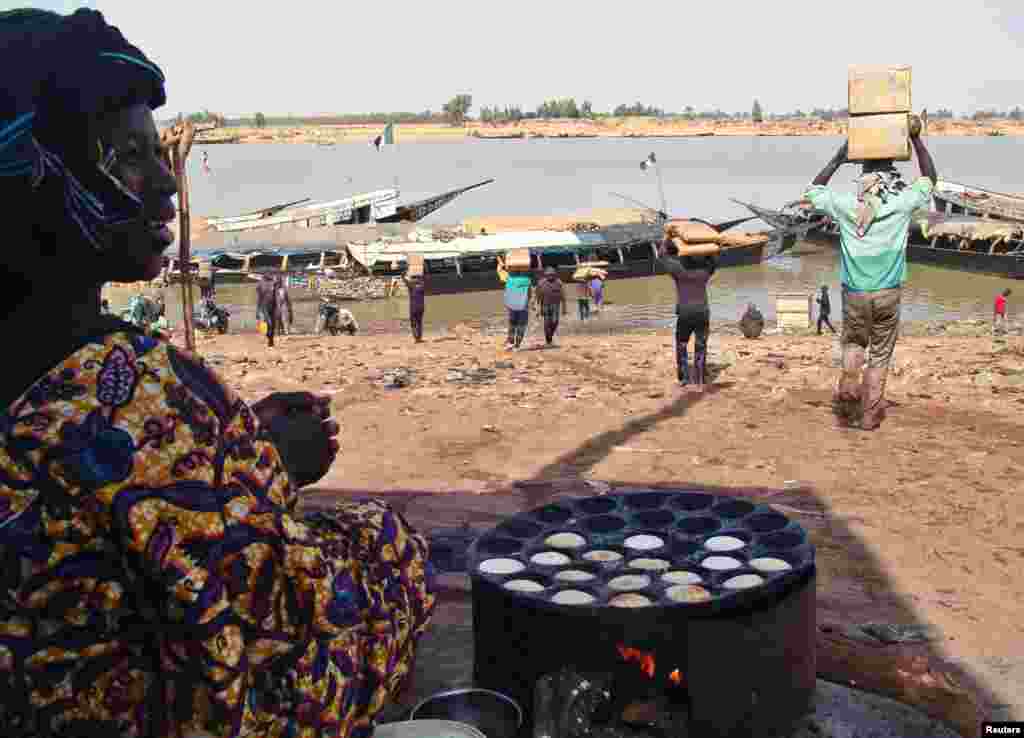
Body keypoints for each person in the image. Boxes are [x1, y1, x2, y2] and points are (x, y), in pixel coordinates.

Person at [0, 11, 433, 738]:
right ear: (37, 176)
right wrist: (260, 463)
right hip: (106, 707)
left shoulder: (123, 397)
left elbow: (116, 508)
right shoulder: (124, 386)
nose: (166, 187)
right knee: (382, 538)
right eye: (131, 157)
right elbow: (267, 634)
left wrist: (233, 455)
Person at [804, 115, 936, 430]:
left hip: (855, 294)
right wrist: (916, 138)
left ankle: (848, 398)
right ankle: (870, 414)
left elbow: (813, 191)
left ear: (862, 179)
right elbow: (930, 177)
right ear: (890, 179)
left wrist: (838, 158)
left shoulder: (847, 206)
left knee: (853, 345)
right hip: (888, 293)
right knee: (879, 355)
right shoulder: (902, 204)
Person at [656, 239, 717, 391]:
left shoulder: (678, 269)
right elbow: (714, 258)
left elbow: (662, 256)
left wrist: (668, 238)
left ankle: (684, 378)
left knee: (682, 343)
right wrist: (707, 247)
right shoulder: (704, 271)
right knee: (701, 345)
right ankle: (700, 380)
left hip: (685, 312)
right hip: (702, 312)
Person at [497, 255, 532, 350]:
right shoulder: (527, 280)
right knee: (522, 326)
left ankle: (510, 342)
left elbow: (499, 271)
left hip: (512, 306)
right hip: (523, 306)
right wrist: (529, 304)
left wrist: (500, 262)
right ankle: (517, 345)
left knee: (512, 324)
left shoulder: (508, 278)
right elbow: (529, 295)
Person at [537, 267, 568, 346]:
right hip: (545, 305)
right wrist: (538, 308)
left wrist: (564, 308)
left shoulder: (559, 283)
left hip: (555, 305)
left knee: (555, 322)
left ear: (554, 275)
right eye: (548, 275)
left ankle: (550, 335)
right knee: (547, 323)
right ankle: (548, 340)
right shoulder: (541, 283)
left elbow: (563, 295)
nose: (550, 276)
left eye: (552, 275)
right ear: (545, 275)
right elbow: (538, 296)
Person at [256, 272, 279, 346]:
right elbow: (259, 298)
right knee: (269, 323)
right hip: (264, 306)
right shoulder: (260, 284)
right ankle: (268, 335)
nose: (270, 275)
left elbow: (276, 296)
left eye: (270, 274)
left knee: (273, 325)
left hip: (273, 306)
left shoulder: (274, 283)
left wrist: (278, 307)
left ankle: (271, 340)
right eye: (267, 274)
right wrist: (257, 310)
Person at [403, 271, 426, 342]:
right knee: (419, 323)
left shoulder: (411, 285)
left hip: (413, 308)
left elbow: (404, 279)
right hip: (421, 307)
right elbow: (424, 278)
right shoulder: (422, 286)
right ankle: (419, 337)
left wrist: (406, 272)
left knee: (413, 323)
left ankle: (416, 338)